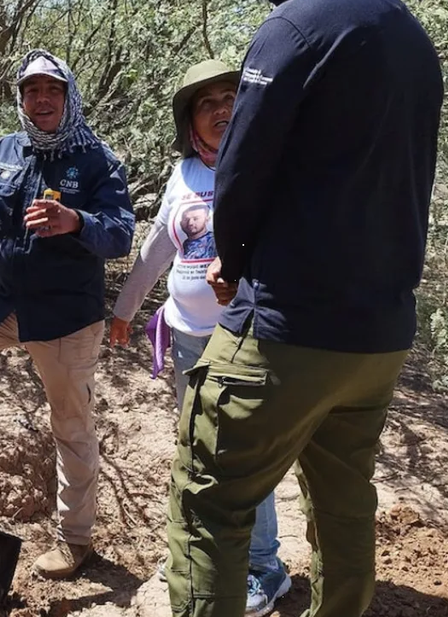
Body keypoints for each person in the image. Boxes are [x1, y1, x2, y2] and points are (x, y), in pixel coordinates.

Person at [165, 0, 444, 617]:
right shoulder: (410, 35)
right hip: (378, 338)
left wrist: (235, 255)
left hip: (291, 327)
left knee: (209, 505)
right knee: (346, 506)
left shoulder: (295, 25)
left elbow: (242, 169)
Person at [0, 49, 136, 579]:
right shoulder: (5, 150)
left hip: (66, 321)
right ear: (21, 99)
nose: (41, 99)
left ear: (68, 97)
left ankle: (74, 541)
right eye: (31, 91)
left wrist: (75, 221)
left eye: (52, 90)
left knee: (71, 427)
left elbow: (120, 234)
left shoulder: (98, 161)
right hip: (1, 305)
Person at [108, 59, 288, 616]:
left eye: (230, 96)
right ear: (190, 121)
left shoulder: (267, 166)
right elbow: (159, 247)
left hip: (244, 340)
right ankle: (196, 551)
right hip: (187, 339)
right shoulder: (183, 175)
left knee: (240, 456)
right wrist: (125, 308)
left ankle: (264, 567)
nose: (220, 109)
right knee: (195, 449)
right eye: (205, 103)